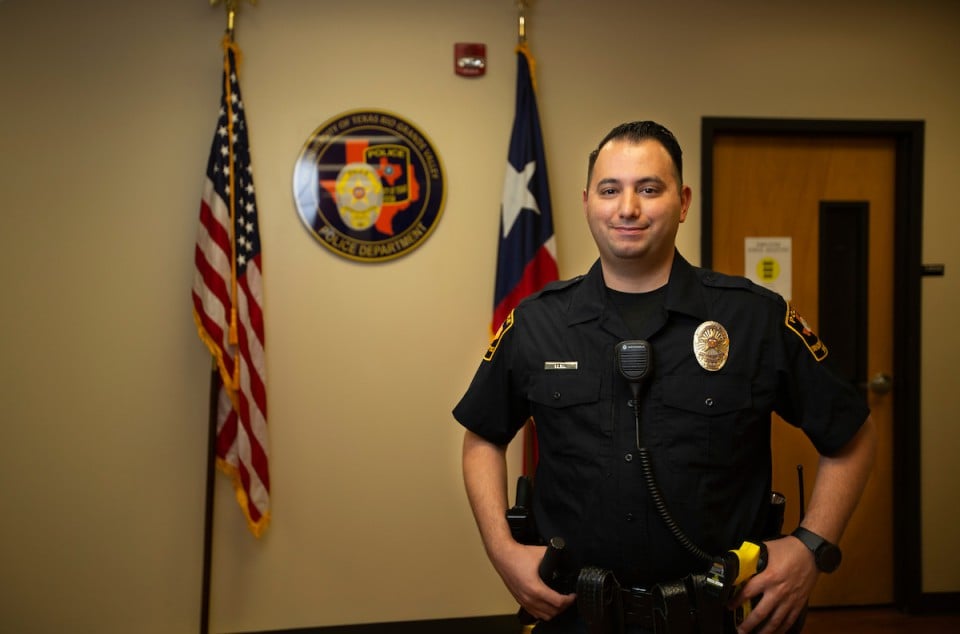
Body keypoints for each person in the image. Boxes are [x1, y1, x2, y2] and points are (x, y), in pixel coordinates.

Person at [454, 120, 876, 634]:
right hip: (575, 617)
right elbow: (482, 437)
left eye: (649, 189)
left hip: (721, 618)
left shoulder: (754, 319)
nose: (627, 208)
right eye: (610, 190)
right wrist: (503, 552)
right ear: (588, 201)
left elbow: (853, 436)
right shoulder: (537, 323)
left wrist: (811, 548)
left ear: (683, 201)